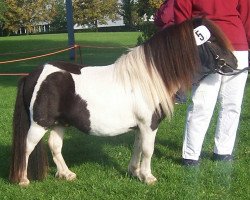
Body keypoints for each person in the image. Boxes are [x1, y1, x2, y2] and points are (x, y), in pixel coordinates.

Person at [173, 0, 250, 165]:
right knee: (202, 103)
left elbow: (246, 15)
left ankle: (223, 151)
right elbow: (182, 19)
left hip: (237, 44)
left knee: (232, 103)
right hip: (206, 47)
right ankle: (191, 155)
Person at [154, 0, 187, 104]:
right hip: (170, 38)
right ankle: (176, 96)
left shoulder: (171, 2)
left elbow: (163, 18)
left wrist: (159, 15)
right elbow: (158, 19)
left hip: (171, 39)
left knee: (174, 67)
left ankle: (178, 97)